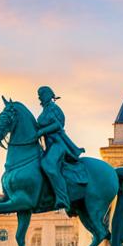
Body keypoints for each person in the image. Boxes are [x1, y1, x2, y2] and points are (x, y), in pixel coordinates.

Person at [33, 85, 85, 214]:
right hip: (49, 145)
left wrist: (42, 131)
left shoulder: (54, 108)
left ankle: (63, 198)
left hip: (58, 143)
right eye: (38, 94)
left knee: (48, 165)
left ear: (49, 95)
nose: (39, 96)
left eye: (41, 94)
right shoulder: (45, 111)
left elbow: (58, 125)